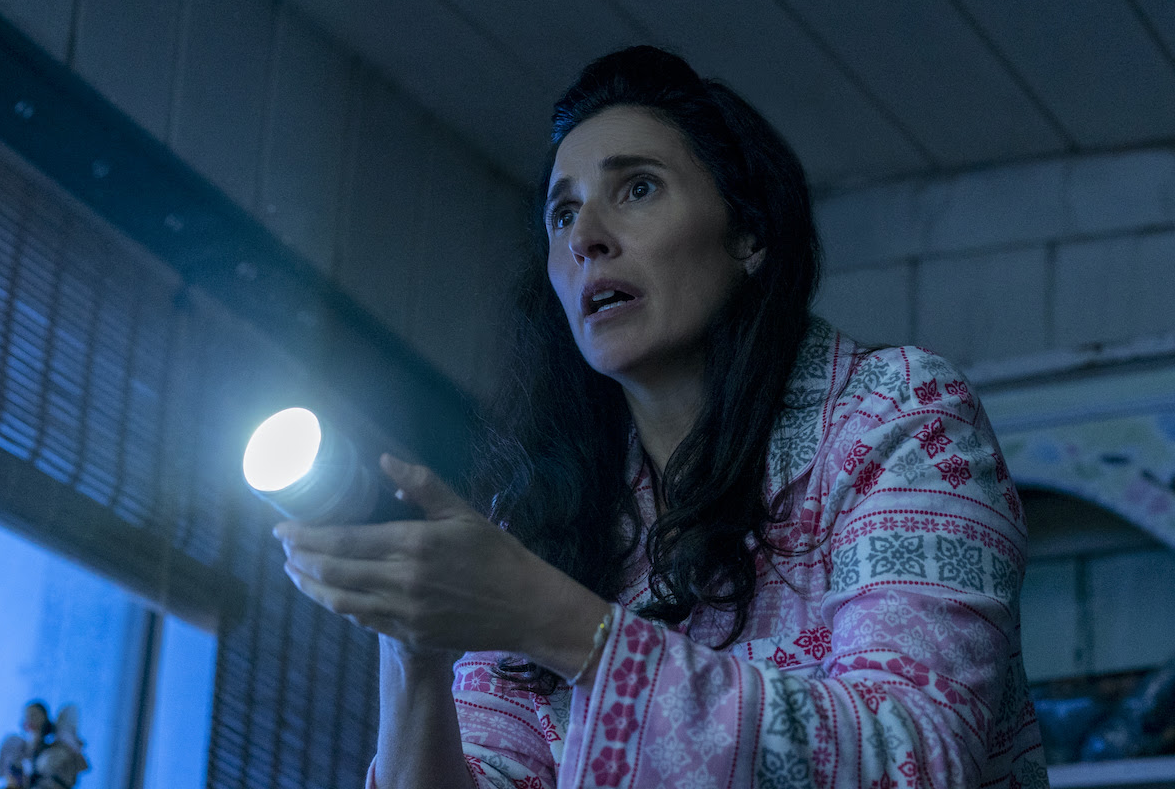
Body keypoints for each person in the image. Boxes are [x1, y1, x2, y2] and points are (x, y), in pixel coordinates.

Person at [275, 46, 1048, 788]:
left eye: (637, 189)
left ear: (748, 233)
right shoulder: (538, 528)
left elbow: (910, 760)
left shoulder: (900, 415)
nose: (586, 237)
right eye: (562, 214)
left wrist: (552, 618)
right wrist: (413, 649)